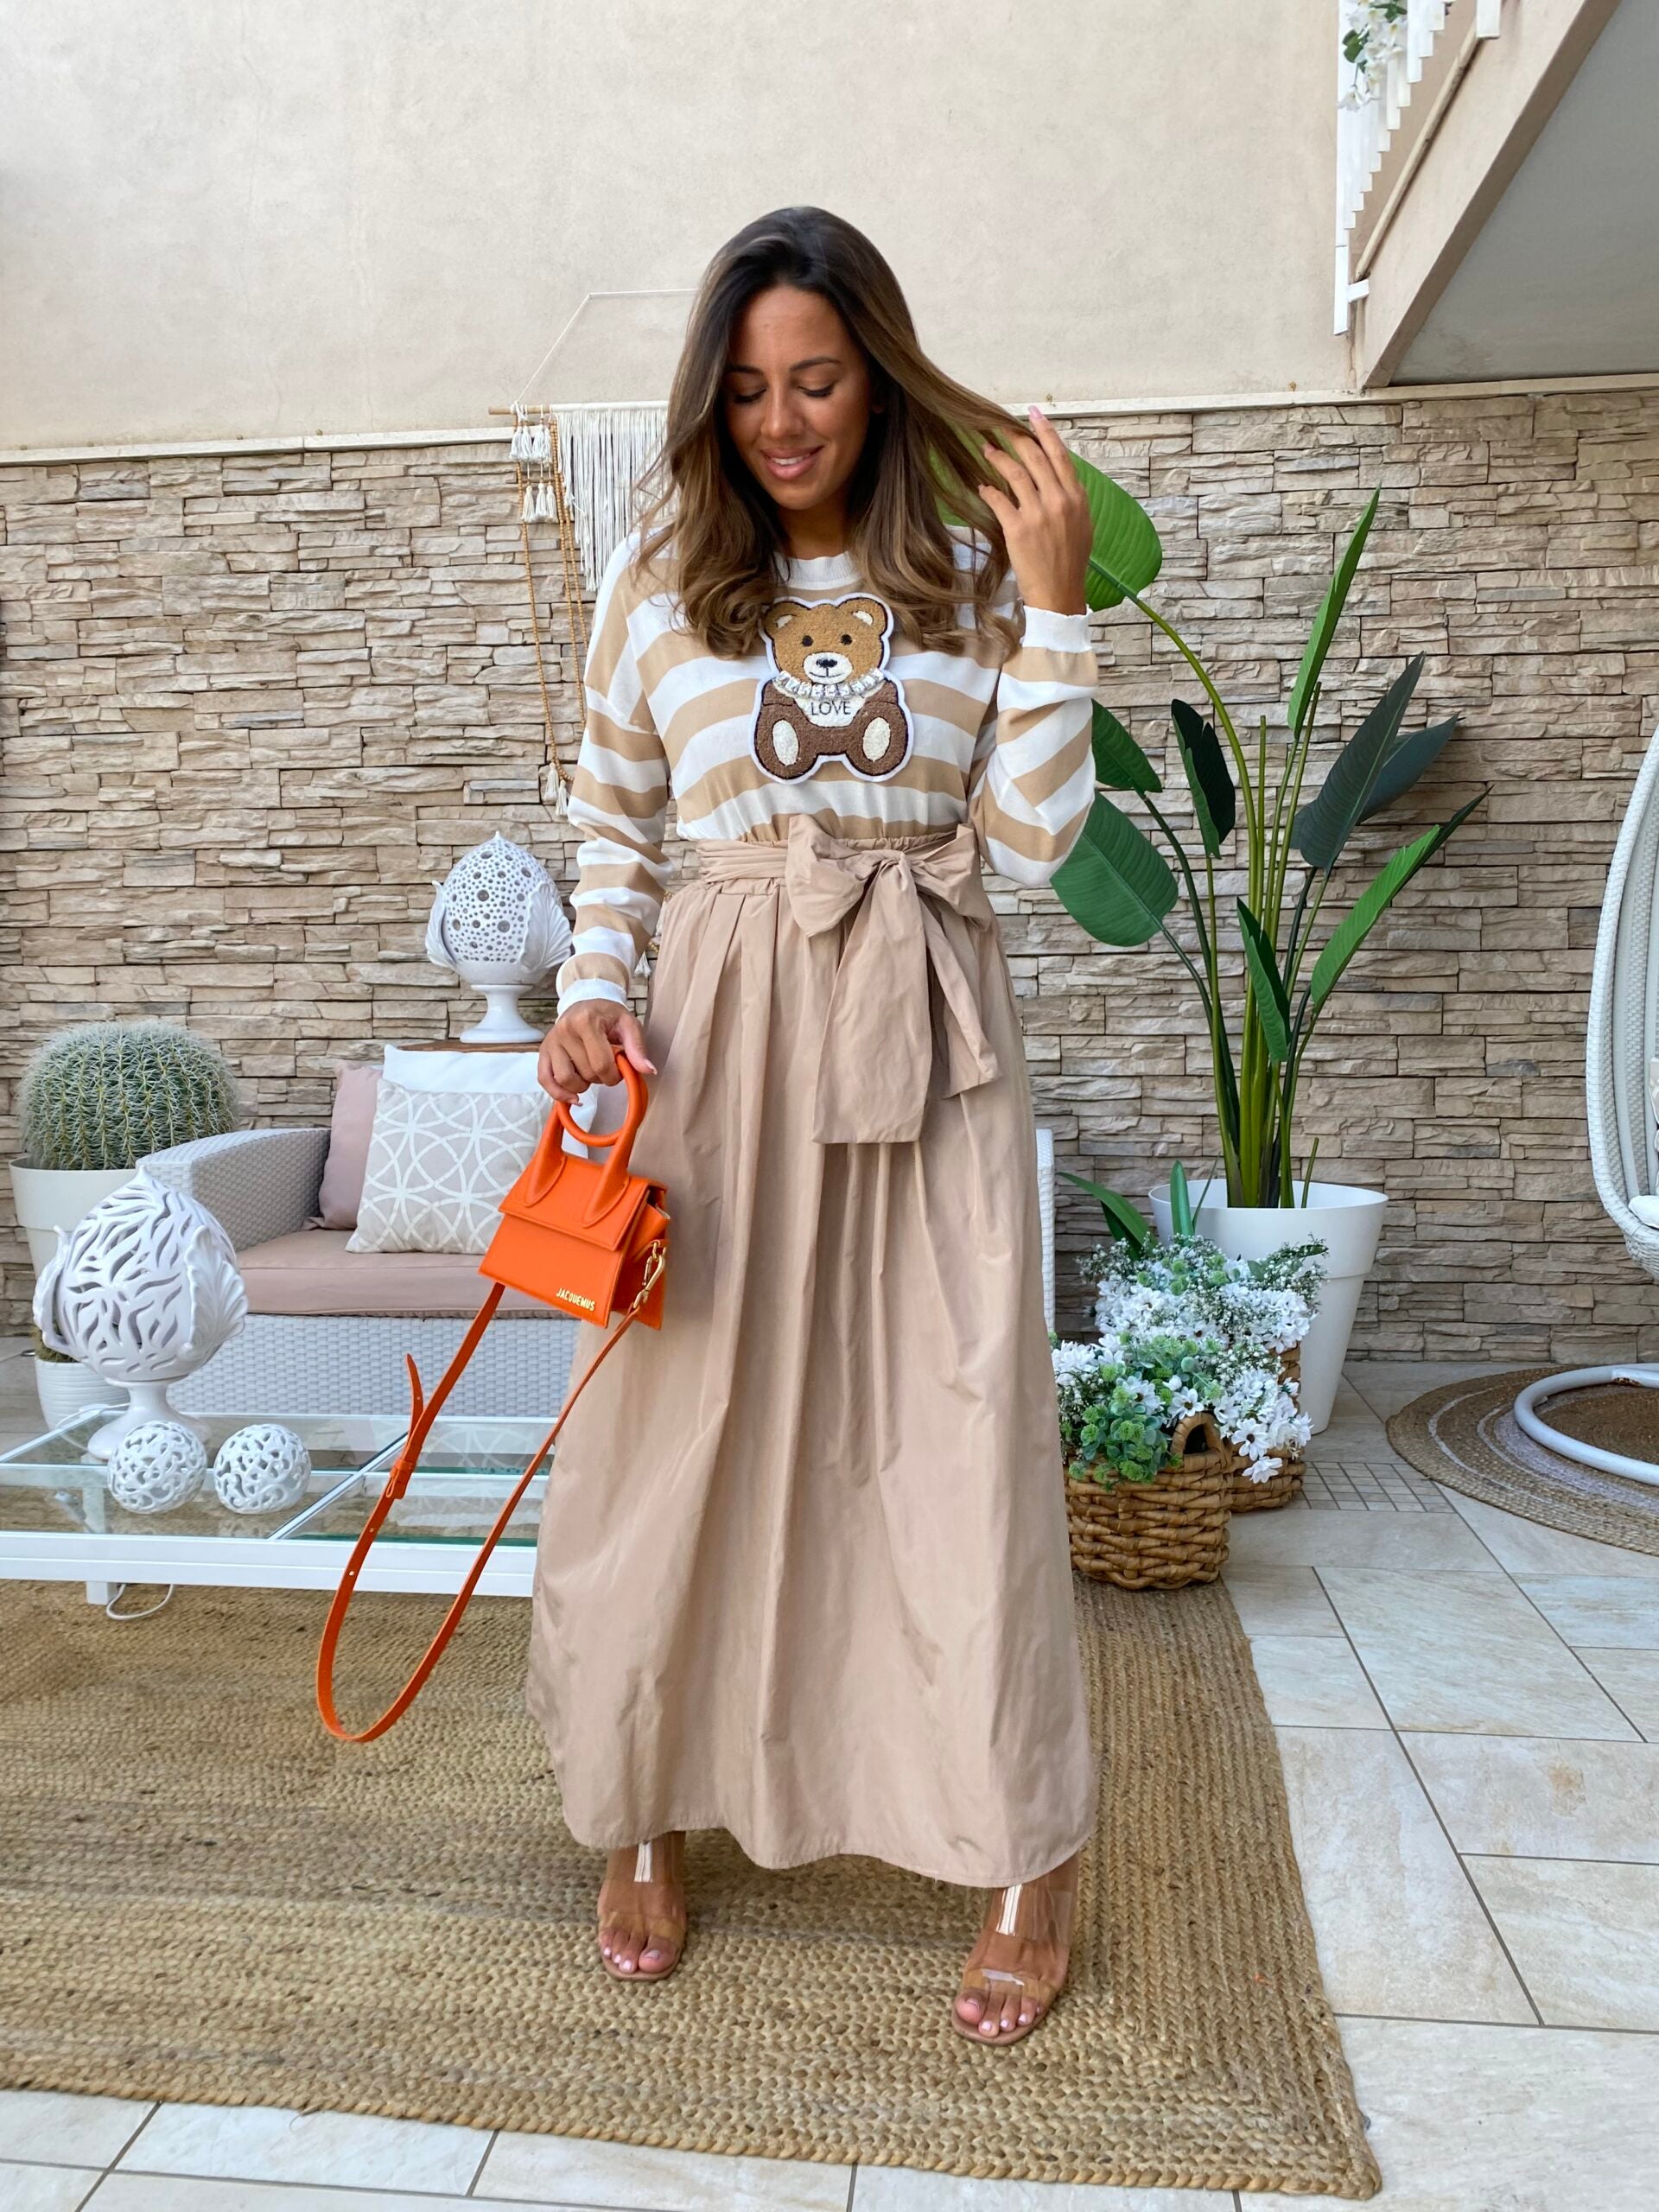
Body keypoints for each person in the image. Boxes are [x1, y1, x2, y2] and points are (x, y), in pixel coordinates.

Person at [529, 204, 1101, 2046]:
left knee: (955, 1434)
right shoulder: (658, 576)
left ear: (880, 378)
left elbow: (1034, 844)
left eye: (821, 381)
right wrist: (589, 989)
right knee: (673, 1433)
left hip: (924, 1029)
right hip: (714, 1044)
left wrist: (1061, 604)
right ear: (714, 397)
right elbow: (615, 823)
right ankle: (645, 1798)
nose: (783, 421)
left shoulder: (972, 569)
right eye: (750, 387)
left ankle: (1022, 1852)